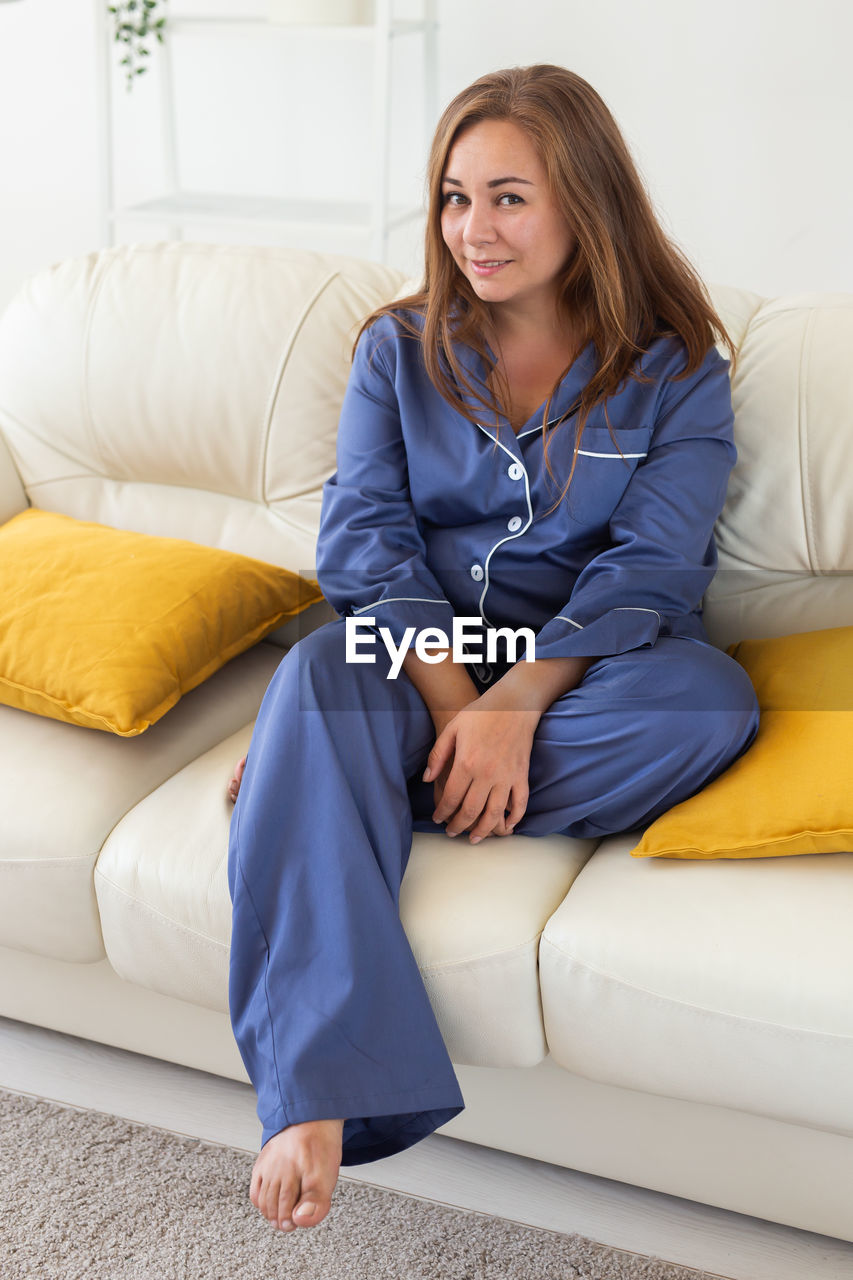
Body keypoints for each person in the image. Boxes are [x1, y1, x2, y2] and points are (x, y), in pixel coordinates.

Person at [226, 63, 760, 1236]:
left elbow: (652, 570)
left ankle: (315, 781)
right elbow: (364, 544)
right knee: (324, 672)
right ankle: (313, 1092)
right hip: (422, 654)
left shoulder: (676, 370)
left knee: (710, 704)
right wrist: (457, 697)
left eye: (509, 197)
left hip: (589, 667)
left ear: (586, 202)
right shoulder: (393, 351)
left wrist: (517, 700)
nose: (474, 229)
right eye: (455, 198)